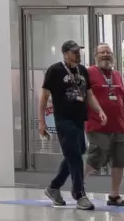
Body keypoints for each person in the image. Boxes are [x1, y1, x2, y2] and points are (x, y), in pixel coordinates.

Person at [39, 39, 104, 210]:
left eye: (78, 51)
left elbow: (89, 94)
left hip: (78, 118)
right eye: (74, 52)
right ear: (65, 54)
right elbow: (44, 97)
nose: (77, 54)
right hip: (63, 119)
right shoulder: (55, 70)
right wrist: (42, 122)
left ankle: (54, 187)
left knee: (77, 152)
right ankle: (79, 193)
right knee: (74, 155)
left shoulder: (82, 70)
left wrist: (99, 110)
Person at [86, 42, 124, 207]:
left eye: (108, 52)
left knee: (120, 160)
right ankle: (78, 187)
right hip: (97, 125)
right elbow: (86, 95)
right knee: (95, 158)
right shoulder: (89, 73)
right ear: (95, 56)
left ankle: (114, 196)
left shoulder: (117, 75)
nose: (105, 54)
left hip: (119, 126)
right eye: (102, 52)